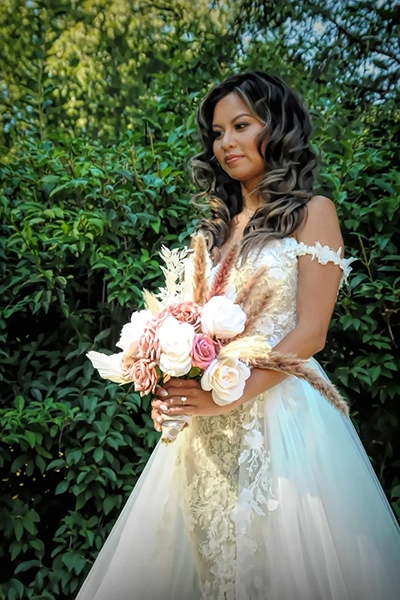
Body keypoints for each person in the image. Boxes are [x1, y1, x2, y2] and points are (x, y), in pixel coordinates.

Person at [76, 71, 400, 600]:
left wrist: (225, 395)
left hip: (281, 418)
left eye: (241, 126)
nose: (226, 142)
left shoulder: (313, 213)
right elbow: (192, 330)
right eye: (217, 132)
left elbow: (311, 332)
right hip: (203, 435)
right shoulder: (214, 230)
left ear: (277, 127)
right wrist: (173, 393)